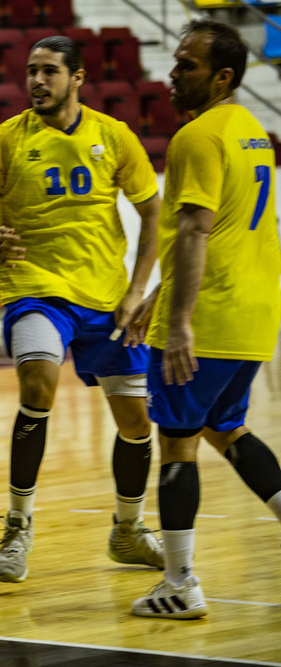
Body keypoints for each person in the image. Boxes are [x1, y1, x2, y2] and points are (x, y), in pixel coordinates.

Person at [0, 36, 165, 583]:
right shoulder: (3, 140)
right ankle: (19, 525)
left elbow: (153, 212)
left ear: (77, 78)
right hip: (35, 287)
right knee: (37, 387)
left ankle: (128, 529)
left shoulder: (113, 136)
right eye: (30, 71)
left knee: (137, 422)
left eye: (49, 71)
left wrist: (139, 289)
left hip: (107, 296)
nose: (36, 81)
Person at [124, 20, 281, 619]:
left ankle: (181, 584)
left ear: (222, 77)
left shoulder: (197, 138)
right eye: (176, 60)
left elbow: (195, 229)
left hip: (209, 319)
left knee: (178, 446)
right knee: (227, 430)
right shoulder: (252, 131)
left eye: (188, 65)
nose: (173, 72)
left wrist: (179, 321)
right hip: (255, 314)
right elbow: (216, 233)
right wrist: (160, 295)